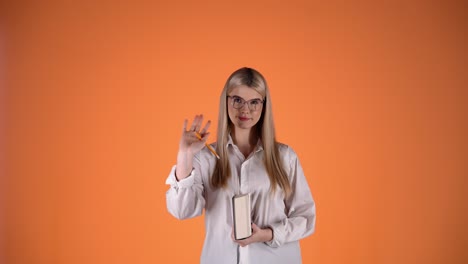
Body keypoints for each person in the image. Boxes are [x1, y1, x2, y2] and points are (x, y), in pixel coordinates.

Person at [165, 67, 316, 264]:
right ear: (226, 101)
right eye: (237, 100)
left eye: (254, 102)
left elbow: (305, 218)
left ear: (264, 106)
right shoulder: (206, 157)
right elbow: (182, 211)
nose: (245, 110)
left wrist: (268, 234)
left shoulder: (284, 157)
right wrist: (184, 155)